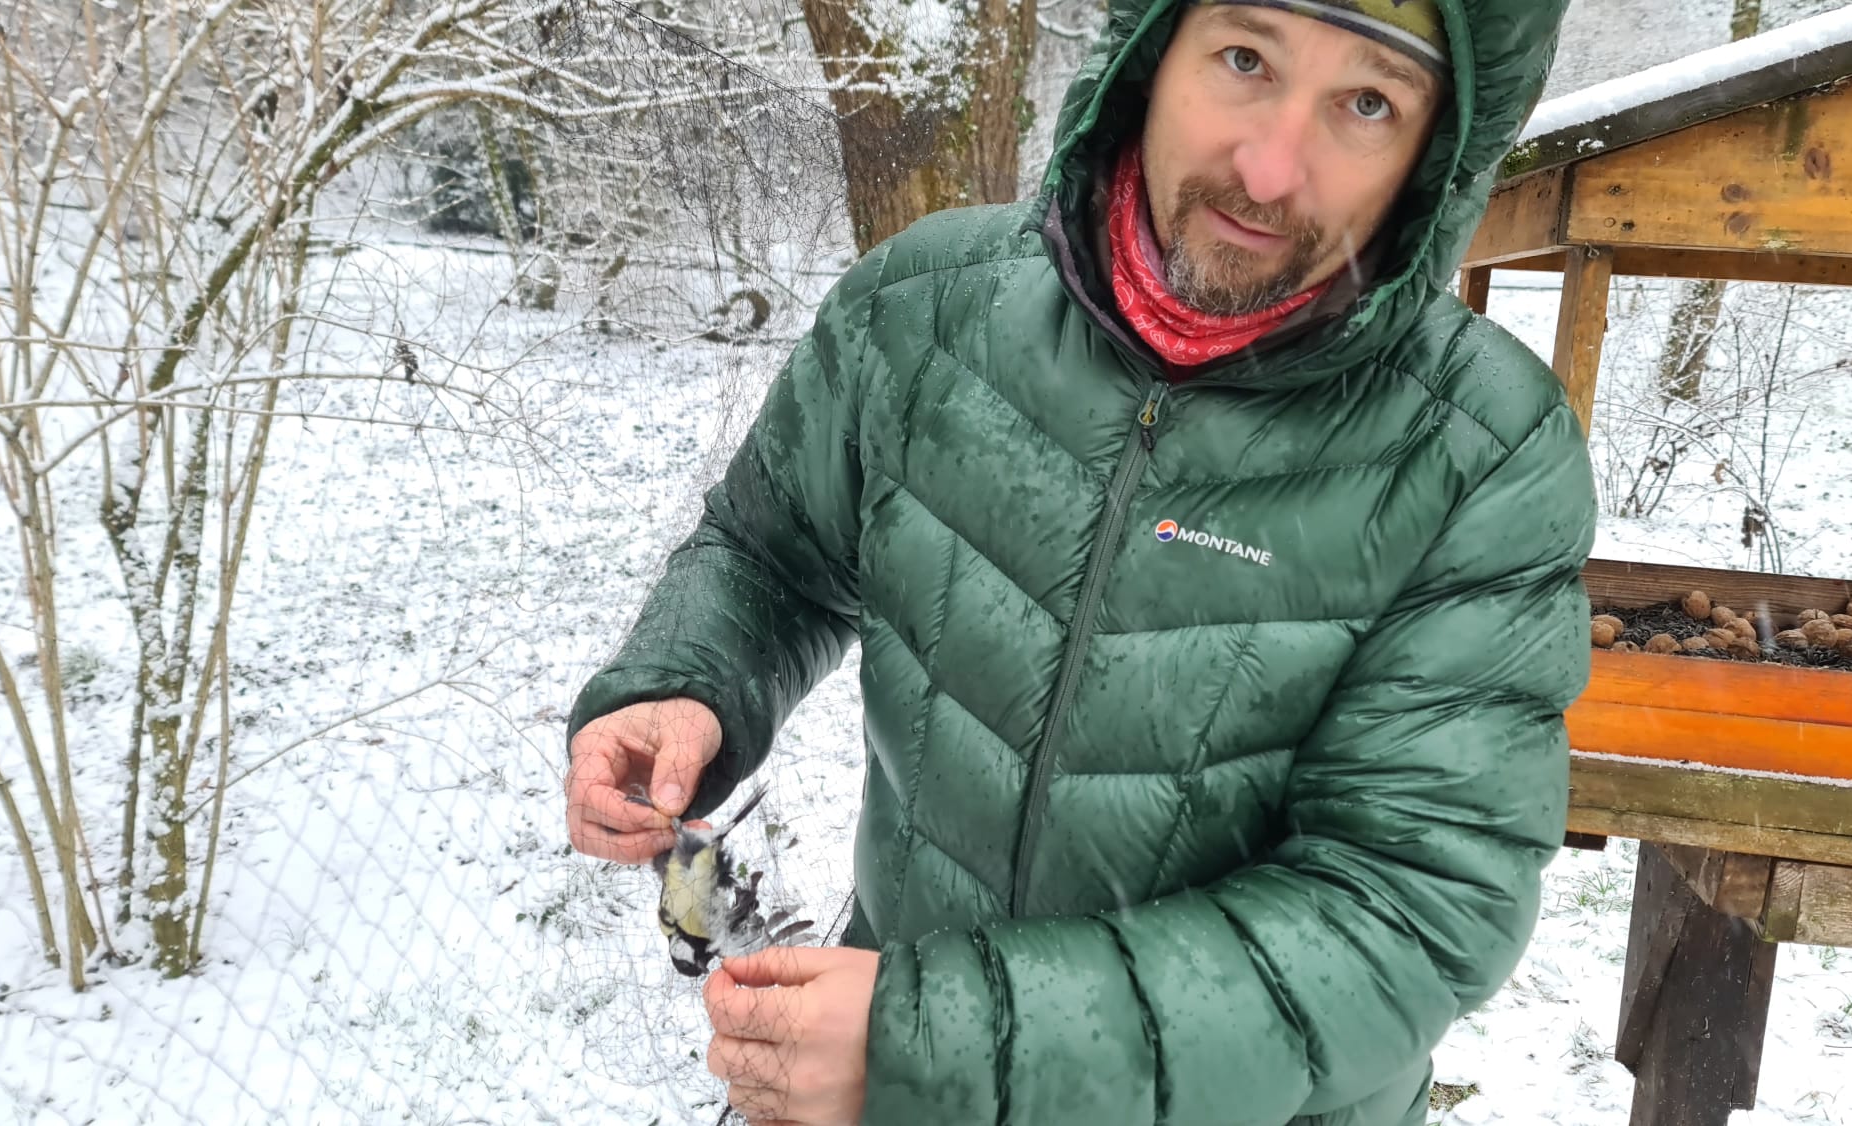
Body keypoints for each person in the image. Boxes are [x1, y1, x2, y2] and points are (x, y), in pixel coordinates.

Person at [565, 1, 1593, 1122]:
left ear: (1431, 153)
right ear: (1152, 51)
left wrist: (934, 1045)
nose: (1269, 166)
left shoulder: (1475, 452)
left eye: (1365, 103)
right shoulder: (921, 314)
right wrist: (687, 681)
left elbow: (1397, 915)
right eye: (1244, 59)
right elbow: (773, 551)